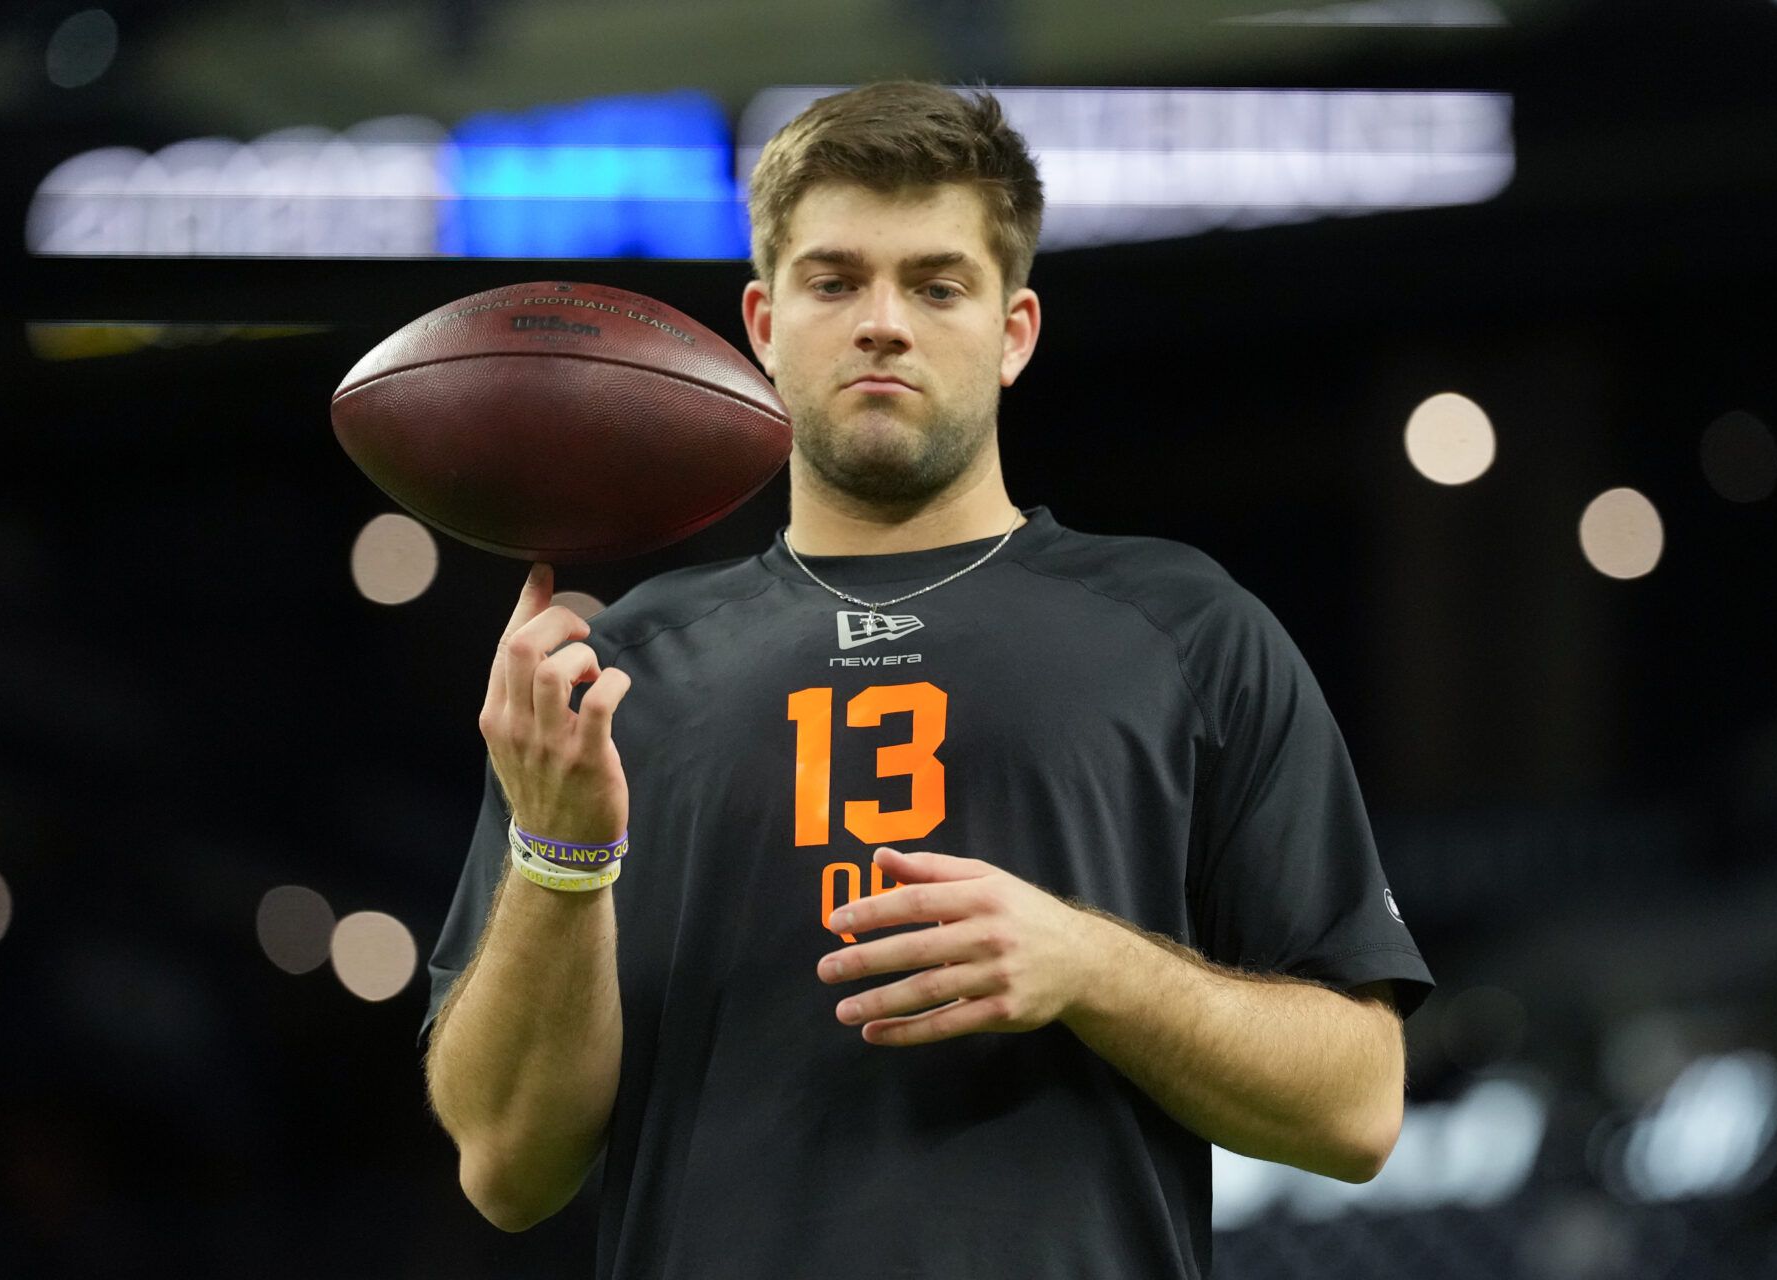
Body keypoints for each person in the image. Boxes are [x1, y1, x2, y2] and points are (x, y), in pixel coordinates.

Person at [420, 80, 1433, 1279]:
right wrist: (562, 854)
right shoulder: (624, 670)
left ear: (1015, 330)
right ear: (760, 320)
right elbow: (506, 1165)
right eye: (835, 280)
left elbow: (1358, 1106)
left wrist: (1090, 963)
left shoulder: (1185, 627)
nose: (882, 322)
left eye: (937, 283)